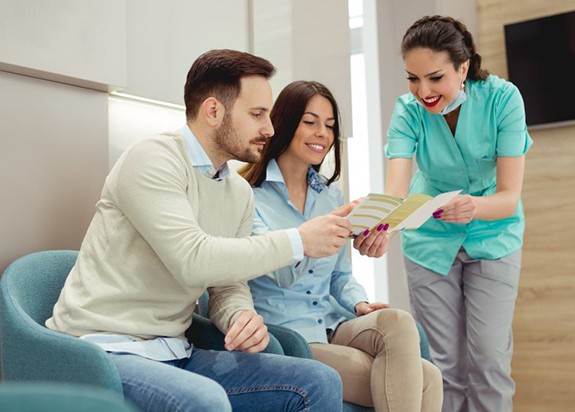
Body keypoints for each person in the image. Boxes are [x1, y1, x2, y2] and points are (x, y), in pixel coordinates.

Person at [46, 49, 352, 412]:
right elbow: (193, 260)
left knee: (317, 381)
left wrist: (238, 315)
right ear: (213, 111)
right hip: (103, 350)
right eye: (256, 114)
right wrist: (298, 240)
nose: (269, 129)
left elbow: (227, 284)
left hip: (175, 350)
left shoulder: (237, 192)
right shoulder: (153, 160)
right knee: (204, 400)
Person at [240, 80, 443, 412]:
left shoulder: (330, 195)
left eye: (330, 125)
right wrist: (319, 231)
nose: (323, 133)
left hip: (333, 322)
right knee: (427, 380)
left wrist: (359, 303)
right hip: (289, 335)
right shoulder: (248, 195)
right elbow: (279, 274)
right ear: (285, 123)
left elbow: (340, 276)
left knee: (399, 322)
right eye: (310, 122)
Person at [384, 15, 533, 412]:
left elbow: (508, 196)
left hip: (493, 234)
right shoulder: (407, 111)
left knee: (489, 361)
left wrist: (473, 207)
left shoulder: (503, 99)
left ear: (462, 67)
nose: (423, 91)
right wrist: (380, 224)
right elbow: (396, 191)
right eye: (413, 79)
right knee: (442, 367)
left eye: (435, 78)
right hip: (429, 240)